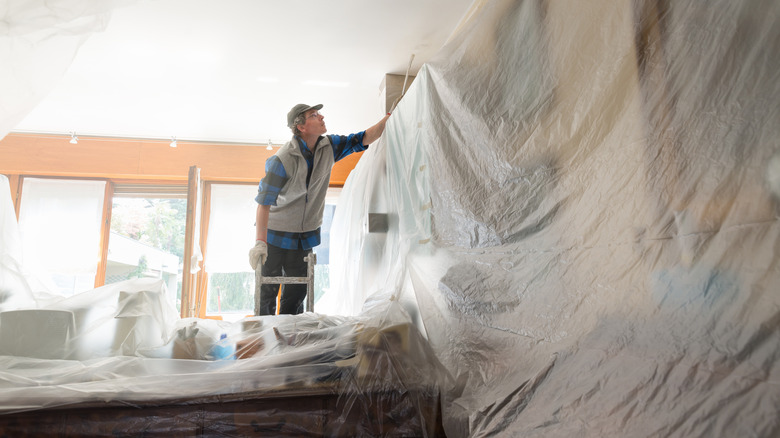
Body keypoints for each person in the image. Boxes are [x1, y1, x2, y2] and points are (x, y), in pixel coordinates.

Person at [249, 103, 390, 315]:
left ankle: (287, 341)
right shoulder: (282, 159)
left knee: (296, 296)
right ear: (301, 127)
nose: (321, 117)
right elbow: (264, 202)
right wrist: (260, 243)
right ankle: (263, 339)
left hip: (304, 237)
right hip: (275, 236)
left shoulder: (329, 147)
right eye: (314, 115)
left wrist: (389, 118)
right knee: (267, 292)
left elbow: (361, 138)